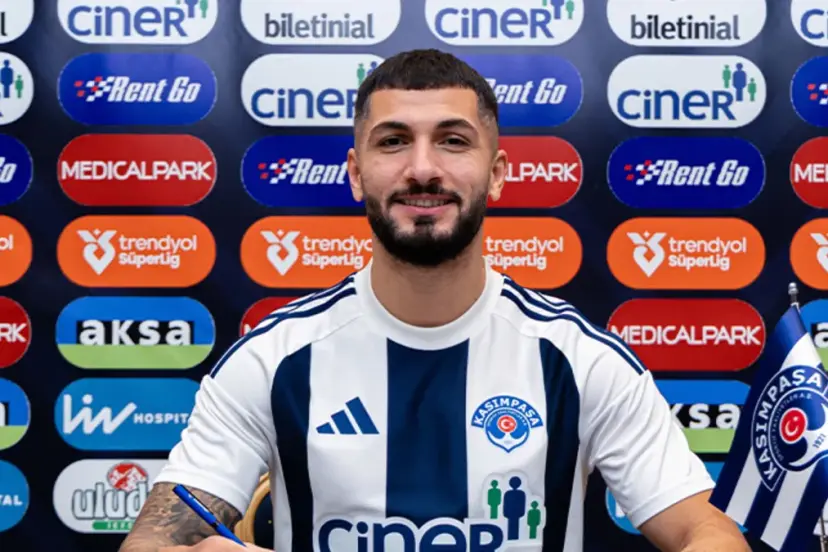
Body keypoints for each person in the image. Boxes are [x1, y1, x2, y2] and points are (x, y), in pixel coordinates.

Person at [119, 49, 750, 552]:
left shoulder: (581, 360)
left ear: (496, 174)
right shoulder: (272, 359)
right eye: (393, 141)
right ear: (356, 173)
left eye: (453, 140)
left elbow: (709, 531)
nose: (422, 168)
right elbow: (153, 541)